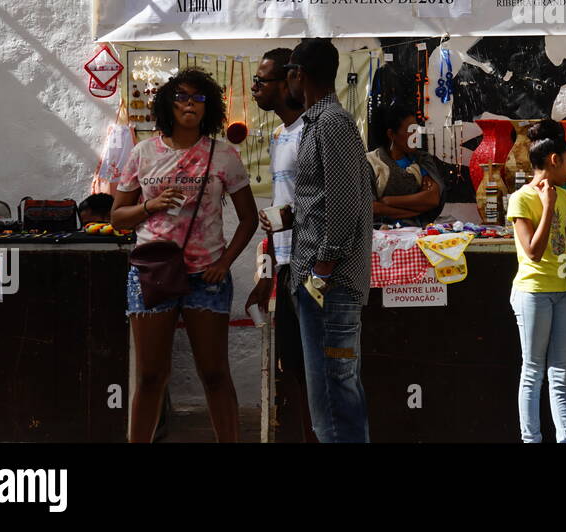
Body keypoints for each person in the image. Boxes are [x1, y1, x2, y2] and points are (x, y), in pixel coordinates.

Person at [112, 67, 259, 443]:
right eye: (181, 97)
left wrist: (224, 263)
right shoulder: (144, 153)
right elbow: (117, 217)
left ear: (208, 107)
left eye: (198, 98)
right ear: (167, 105)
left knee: (214, 373)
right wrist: (151, 205)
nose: (189, 104)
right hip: (152, 271)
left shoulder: (223, 155)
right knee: (149, 375)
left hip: (205, 277)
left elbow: (249, 219)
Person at [285, 37, 375, 443]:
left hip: (328, 284)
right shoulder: (324, 123)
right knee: (334, 397)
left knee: (333, 403)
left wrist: (320, 271)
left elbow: (345, 205)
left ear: (298, 75)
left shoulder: (331, 124)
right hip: (326, 283)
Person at [242, 47, 315, 442]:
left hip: (313, 269)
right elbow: (282, 208)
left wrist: (286, 218)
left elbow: (329, 202)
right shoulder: (279, 136)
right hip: (287, 268)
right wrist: (266, 273)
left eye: (261, 80)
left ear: (289, 81)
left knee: (315, 370)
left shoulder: (313, 133)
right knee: (294, 368)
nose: (254, 87)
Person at [504, 119, 566, 443]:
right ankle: (532, 439)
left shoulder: (565, 198)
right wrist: (548, 205)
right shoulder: (521, 199)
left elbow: (561, 240)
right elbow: (533, 252)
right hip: (533, 293)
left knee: (562, 374)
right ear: (553, 161)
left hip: (562, 291)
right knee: (533, 372)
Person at [368, 104, 445, 227]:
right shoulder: (371, 163)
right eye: (411, 131)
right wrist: (417, 210)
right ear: (391, 134)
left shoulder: (422, 160)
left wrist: (388, 201)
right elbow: (372, 208)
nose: (416, 136)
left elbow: (432, 198)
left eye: (416, 130)